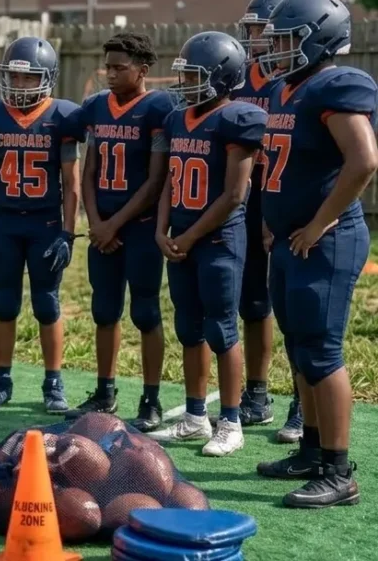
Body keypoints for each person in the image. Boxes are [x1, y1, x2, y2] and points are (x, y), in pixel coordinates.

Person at [254, 0, 377, 508]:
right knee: (299, 346)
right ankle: (309, 450)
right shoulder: (288, 89)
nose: (274, 50)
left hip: (325, 239)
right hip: (289, 238)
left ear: (319, 39)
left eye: (286, 40)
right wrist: (271, 223)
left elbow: (364, 161)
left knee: (322, 352)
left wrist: (319, 223)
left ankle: (338, 468)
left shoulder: (339, 84)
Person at [149, 31, 266, 457]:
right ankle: (196, 416)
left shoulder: (239, 117)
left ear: (222, 77)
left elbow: (235, 194)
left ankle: (231, 421)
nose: (185, 84)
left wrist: (188, 235)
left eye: (194, 75)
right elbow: (169, 182)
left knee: (221, 328)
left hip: (218, 238)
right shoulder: (179, 118)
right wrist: (162, 230)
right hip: (180, 236)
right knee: (188, 328)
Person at [64, 32, 172, 430]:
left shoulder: (158, 108)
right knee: (104, 311)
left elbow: (156, 180)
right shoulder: (97, 107)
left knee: (145, 312)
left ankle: (151, 398)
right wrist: (95, 223)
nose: (109, 73)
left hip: (139, 228)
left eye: (119, 67)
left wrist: (113, 224)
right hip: (103, 228)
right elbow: (89, 170)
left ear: (143, 70)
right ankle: (104, 391)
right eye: (107, 66)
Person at [0, 37, 82, 415]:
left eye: (28, 79)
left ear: (47, 79)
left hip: (45, 223)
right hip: (4, 223)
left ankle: (54, 382)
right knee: (4, 303)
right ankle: (1, 380)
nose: (19, 87)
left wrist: (68, 233)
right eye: (13, 78)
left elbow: (72, 184)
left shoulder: (61, 117)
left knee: (47, 304)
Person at [230, 0, 302, 440]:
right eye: (252, 29)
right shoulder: (238, 76)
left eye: (260, 28)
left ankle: (302, 398)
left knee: (297, 307)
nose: (254, 37)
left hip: (290, 196)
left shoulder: (300, 82)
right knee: (253, 301)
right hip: (246, 196)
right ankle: (257, 392)